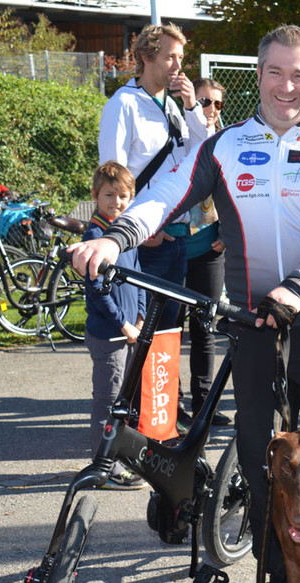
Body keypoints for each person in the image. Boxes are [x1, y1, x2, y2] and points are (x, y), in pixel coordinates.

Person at [69, 24, 300, 583]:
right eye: (275, 72)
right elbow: (164, 193)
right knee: (265, 455)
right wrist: (115, 238)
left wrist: (297, 288)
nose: (286, 86)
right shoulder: (226, 146)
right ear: (258, 75)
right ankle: (280, 575)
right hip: (252, 319)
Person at [98, 23, 211, 427]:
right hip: (144, 239)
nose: (178, 65)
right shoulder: (123, 104)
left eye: (181, 57)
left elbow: (203, 151)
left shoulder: (175, 106)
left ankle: (162, 413)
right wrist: (138, 229)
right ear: (146, 57)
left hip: (175, 235)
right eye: (170, 57)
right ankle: (134, 419)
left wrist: (193, 107)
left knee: (167, 331)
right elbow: (112, 174)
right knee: (141, 331)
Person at [83, 162, 147, 488]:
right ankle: (104, 467)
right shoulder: (95, 236)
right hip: (109, 335)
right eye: (109, 195)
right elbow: (97, 291)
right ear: (95, 195)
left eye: (123, 196)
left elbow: (138, 278)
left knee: (126, 402)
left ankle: (120, 458)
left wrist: (141, 316)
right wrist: (123, 324)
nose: (116, 202)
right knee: (107, 402)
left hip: (131, 331)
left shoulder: (124, 235)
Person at [180, 78, 230, 427]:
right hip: (174, 247)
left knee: (204, 328)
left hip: (210, 249)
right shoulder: (178, 137)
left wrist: (227, 232)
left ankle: (203, 405)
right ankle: (169, 406)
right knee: (168, 330)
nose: (211, 109)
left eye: (217, 103)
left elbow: (239, 193)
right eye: (204, 102)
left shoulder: (228, 143)